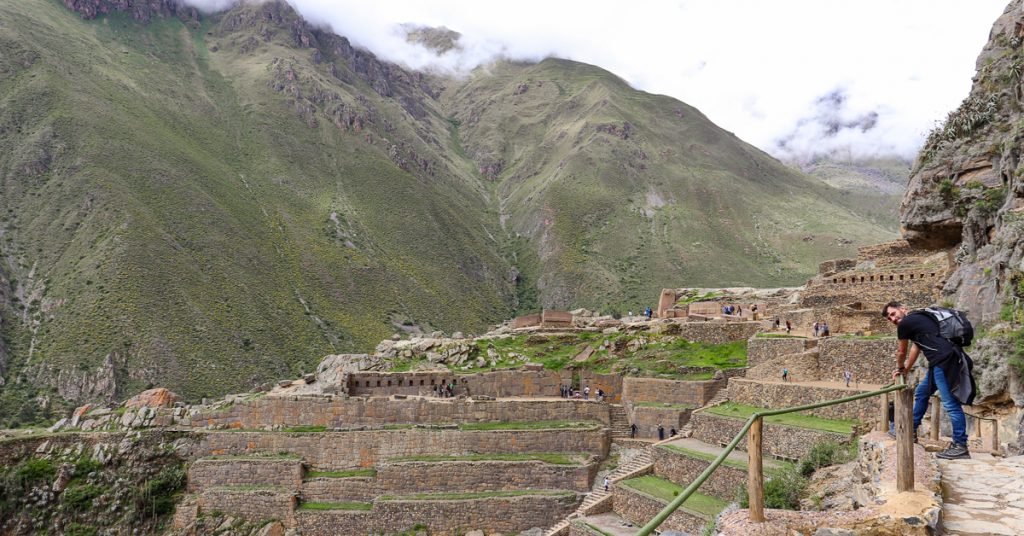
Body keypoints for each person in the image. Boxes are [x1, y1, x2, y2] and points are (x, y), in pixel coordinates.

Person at [883, 301, 976, 460]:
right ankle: (910, 429)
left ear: (903, 309)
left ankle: (960, 446)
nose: (893, 319)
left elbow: (901, 351)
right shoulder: (919, 319)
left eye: (893, 314)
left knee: (950, 404)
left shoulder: (906, 324)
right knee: (922, 392)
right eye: (889, 318)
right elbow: (916, 348)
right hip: (942, 360)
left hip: (943, 361)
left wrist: (899, 368)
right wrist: (906, 369)